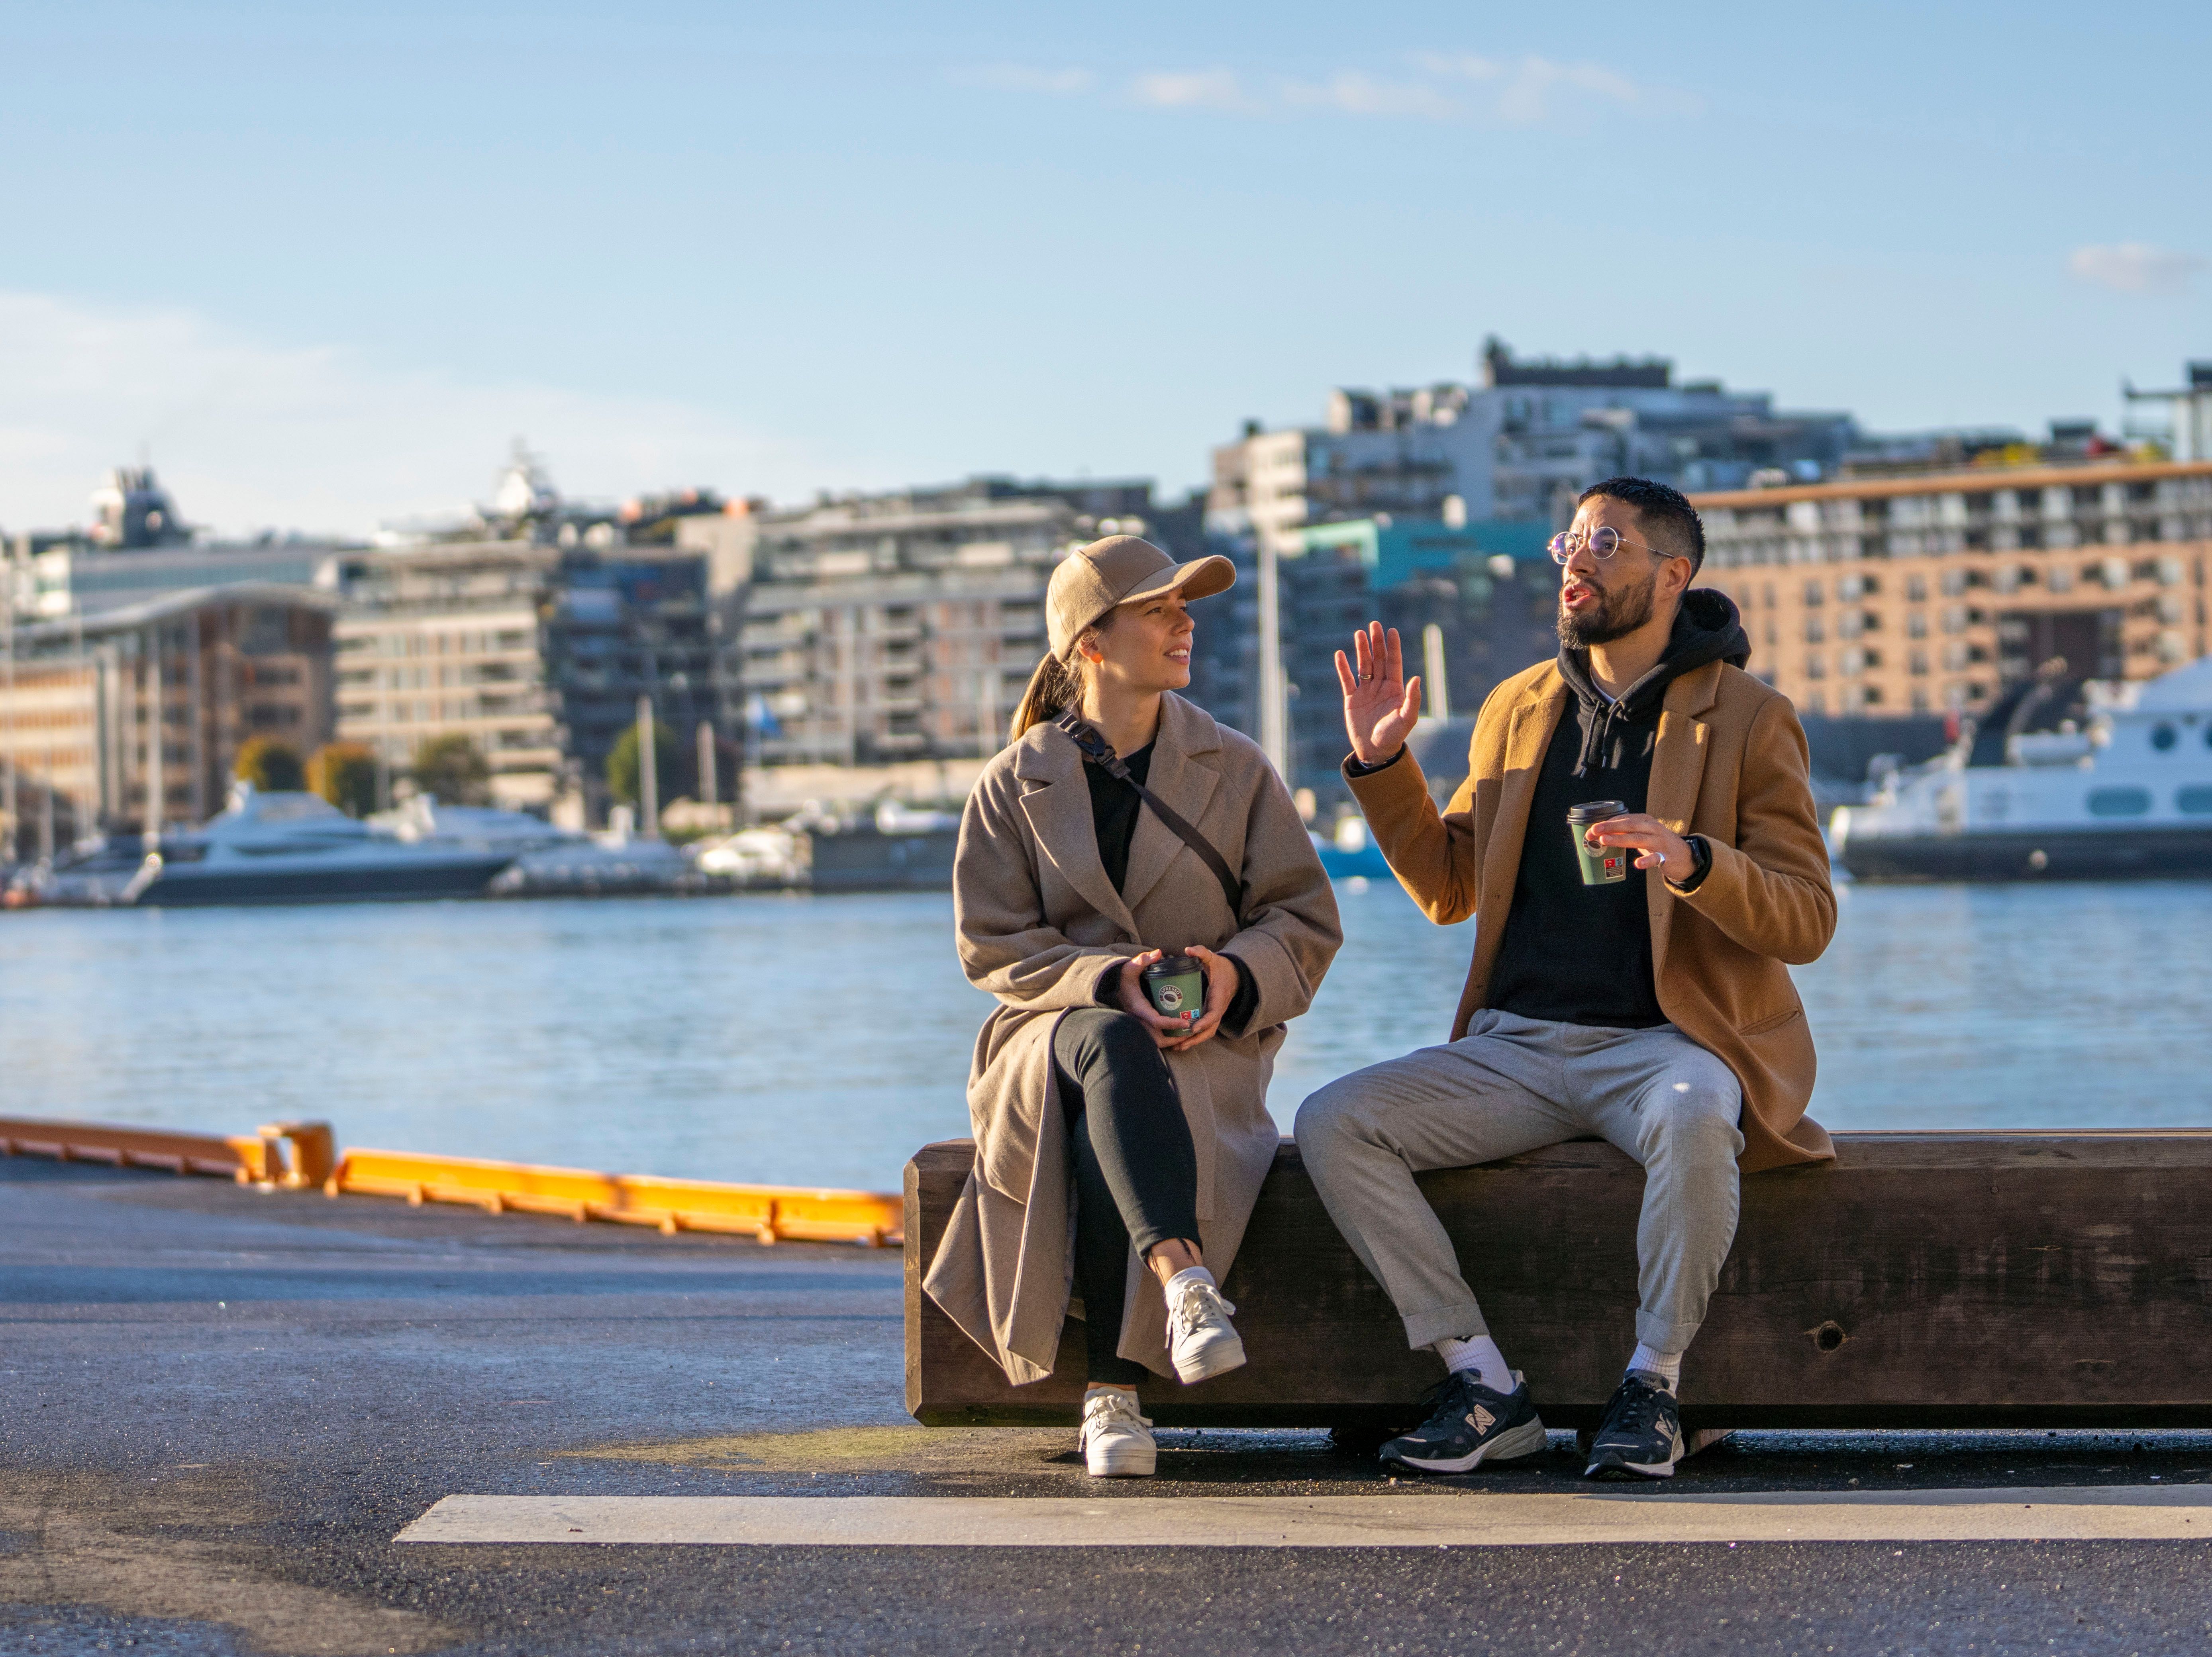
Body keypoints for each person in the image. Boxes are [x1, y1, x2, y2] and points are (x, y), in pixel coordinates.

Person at [1294, 476, 1835, 1480]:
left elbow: (1808, 915)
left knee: (1691, 1108)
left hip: (1670, 1044)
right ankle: (1483, 1381)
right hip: (1517, 1048)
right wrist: (1381, 764)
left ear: (1672, 574)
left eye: (1606, 542)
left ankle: (1654, 1386)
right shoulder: (1516, 706)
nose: (1576, 560)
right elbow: (1450, 884)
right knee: (1335, 1119)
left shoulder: (1749, 718)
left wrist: (1695, 861)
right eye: (1570, 541)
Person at [923, 535, 1342, 1479]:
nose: (1184, 622)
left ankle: (1113, 1400)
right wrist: (1106, 981)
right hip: (1043, 1038)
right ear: (1092, 643)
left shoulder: (1235, 769)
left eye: (1186, 606)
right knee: (1111, 1042)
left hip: (1205, 1041)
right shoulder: (1011, 783)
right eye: (1159, 609)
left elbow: (1304, 920)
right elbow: (990, 944)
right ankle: (1183, 1290)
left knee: (1126, 1089)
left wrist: (1233, 979)